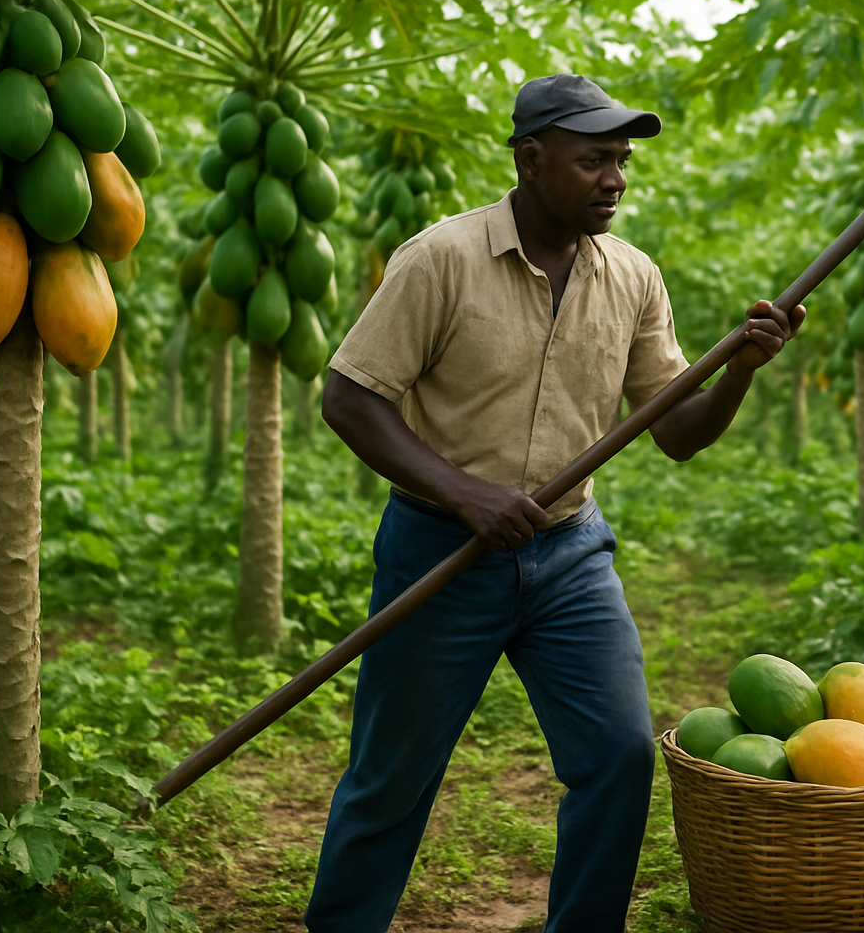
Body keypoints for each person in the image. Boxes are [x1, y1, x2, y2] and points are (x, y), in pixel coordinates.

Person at [305, 74, 805, 933]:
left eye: (622, 160)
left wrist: (740, 373)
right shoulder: (442, 260)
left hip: (570, 554)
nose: (614, 178)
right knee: (392, 776)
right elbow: (350, 397)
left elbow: (678, 431)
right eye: (593, 161)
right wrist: (462, 493)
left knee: (616, 757)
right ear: (530, 160)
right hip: (440, 551)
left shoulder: (634, 278)